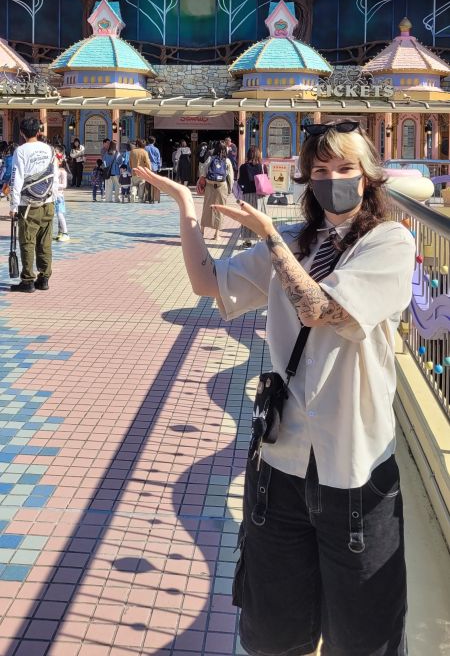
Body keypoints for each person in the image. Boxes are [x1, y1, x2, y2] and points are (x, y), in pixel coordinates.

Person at [134, 121, 415, 656]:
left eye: (346, 169)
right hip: (281, 465)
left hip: (355, 470)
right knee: (273, 632)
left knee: (365, 636)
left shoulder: (389, 242)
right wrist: (186, 210)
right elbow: (208, 284)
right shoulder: (294, 240)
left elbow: (323, 309)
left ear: (369, 176)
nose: (334, 180)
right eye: (322, 171)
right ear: (308, 179)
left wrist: (269, 240)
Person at [9, 117, 59, 293]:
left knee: (28, 242)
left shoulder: (21, 151)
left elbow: (16, 179)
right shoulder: (50, 149)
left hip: (28, 204)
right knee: (45, 242)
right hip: (48, 202)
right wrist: (54, 196)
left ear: (22, 132)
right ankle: (44, 278)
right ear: (38, 131)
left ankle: (28, 280)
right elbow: (54, 175)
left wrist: (14, 206)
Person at [200, 142, 233, 241]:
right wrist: (230, 189)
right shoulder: (227, 161)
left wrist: (203, 182)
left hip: (210, 186)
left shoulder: (210, 159)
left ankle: (202, 231)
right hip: (221, 187)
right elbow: (230, 176)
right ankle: (216, 234)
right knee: (220, 209)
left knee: (206, 207)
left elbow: (203, 172)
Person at [237, 145, 265, 247]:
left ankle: (247, 240)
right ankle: (261, 237)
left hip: (247, 195)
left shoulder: (243, 167)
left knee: (247, 216)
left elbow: (239, 181)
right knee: (259, 217)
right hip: (259, 196)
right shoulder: (262, 166)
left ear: (248, 155)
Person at [54, 151, 70, 242]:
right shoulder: (53, 170)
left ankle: (65, 233)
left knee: (60, 214)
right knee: (55, 214)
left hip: (59, 196)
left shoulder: (62, 171)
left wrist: (55, 185)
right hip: (52, 195)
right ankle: (60, 232)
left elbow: (64, 185)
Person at [145, 136, 161, 203]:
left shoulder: (145, 148)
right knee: (154, 183)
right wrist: (159, 167)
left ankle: (148, 197)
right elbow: (158, 159)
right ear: (154, 141)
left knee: (147, 182)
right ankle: (154, 197)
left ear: (147, 141)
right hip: (154, 167)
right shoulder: (156, 149)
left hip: (147, 167)